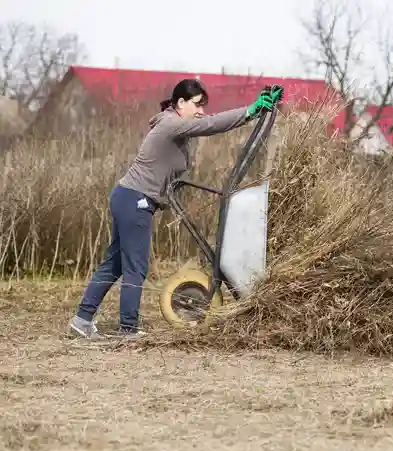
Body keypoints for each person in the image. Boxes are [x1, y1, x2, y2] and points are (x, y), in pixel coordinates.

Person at [68, 78, 284, 339]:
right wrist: (250, 110)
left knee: (114, 265)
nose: (201, 110)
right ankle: (128, 327)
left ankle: (82, 319)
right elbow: (210, 124)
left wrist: (255, 111)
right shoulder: (171, 124)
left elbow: (210, 120)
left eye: (203, 105)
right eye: (197, 104)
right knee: (136, 266)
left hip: (128, 197)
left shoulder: (175, 124)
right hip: (135, 199)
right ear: (180, 102)